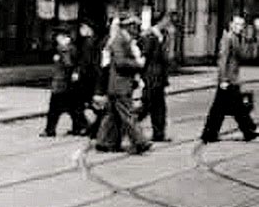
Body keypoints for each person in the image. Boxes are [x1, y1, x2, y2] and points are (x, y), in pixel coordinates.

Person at [95, 14, 150, 154]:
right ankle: (140, 141)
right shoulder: (119, 40)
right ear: (127, 26)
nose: (136, 29)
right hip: (120, 84)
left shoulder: (125, 39)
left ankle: (103, 142)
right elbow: (120, 62)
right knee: (127, 114)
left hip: (118, 85)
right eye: (134, 25)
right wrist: (137, 64)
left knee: (112, 116)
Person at [199, 14, 258, 145]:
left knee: (220, 108)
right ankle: (248, 130)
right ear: (231, 24)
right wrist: (223, 79)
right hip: (228, 80)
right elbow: (222, 59)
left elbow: (244, 55)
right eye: (237, 24)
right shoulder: (228, 38)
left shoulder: (237, 38)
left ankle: (210, 133)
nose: (239, 27)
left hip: (232, 79)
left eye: (241, 25)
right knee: (237, 107)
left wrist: (250, 37)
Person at [40, 29, 86, 137]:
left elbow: (68, 64)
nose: (57, 38)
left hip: (61, 83)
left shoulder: (65, 48)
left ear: (65, 37)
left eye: (59, 36)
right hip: (66, 83)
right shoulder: (71, 48)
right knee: (72, 108)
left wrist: (62, 51)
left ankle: (50, 130)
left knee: (54, 109)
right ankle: (80, 127)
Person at [138, 14, 172, 143]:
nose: (169, 22)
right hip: (150, 78)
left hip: (159, 78)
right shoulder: (149, 36)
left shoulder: (161, 35)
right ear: (160, 21)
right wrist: (141, 78)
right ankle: (127, 127)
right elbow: (144, 58)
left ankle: (159, 134)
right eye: (167, 20)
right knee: (146, 107)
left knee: (159, 107)